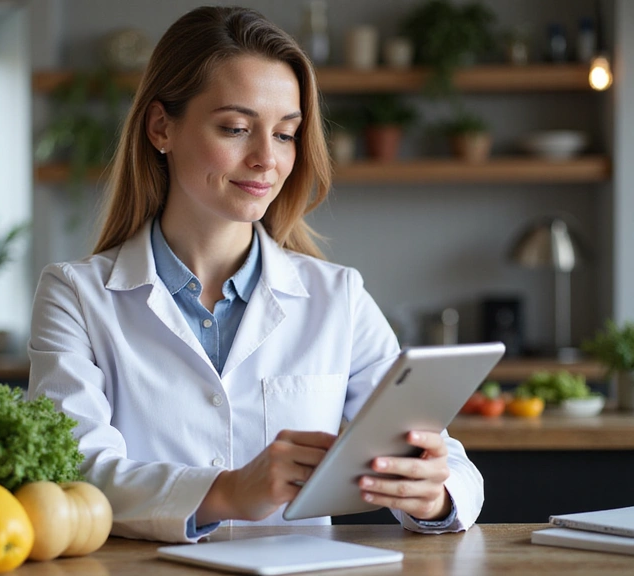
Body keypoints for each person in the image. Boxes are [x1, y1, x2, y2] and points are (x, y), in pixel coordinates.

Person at [28, 5, 483, 544]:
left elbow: (444, 456)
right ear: (160, 128)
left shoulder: (337, 296)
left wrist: (433, 493)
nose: (267, 158)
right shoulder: (76, 296)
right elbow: (72, 470)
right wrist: (226, 492)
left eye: (286, 134)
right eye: (237, 128)